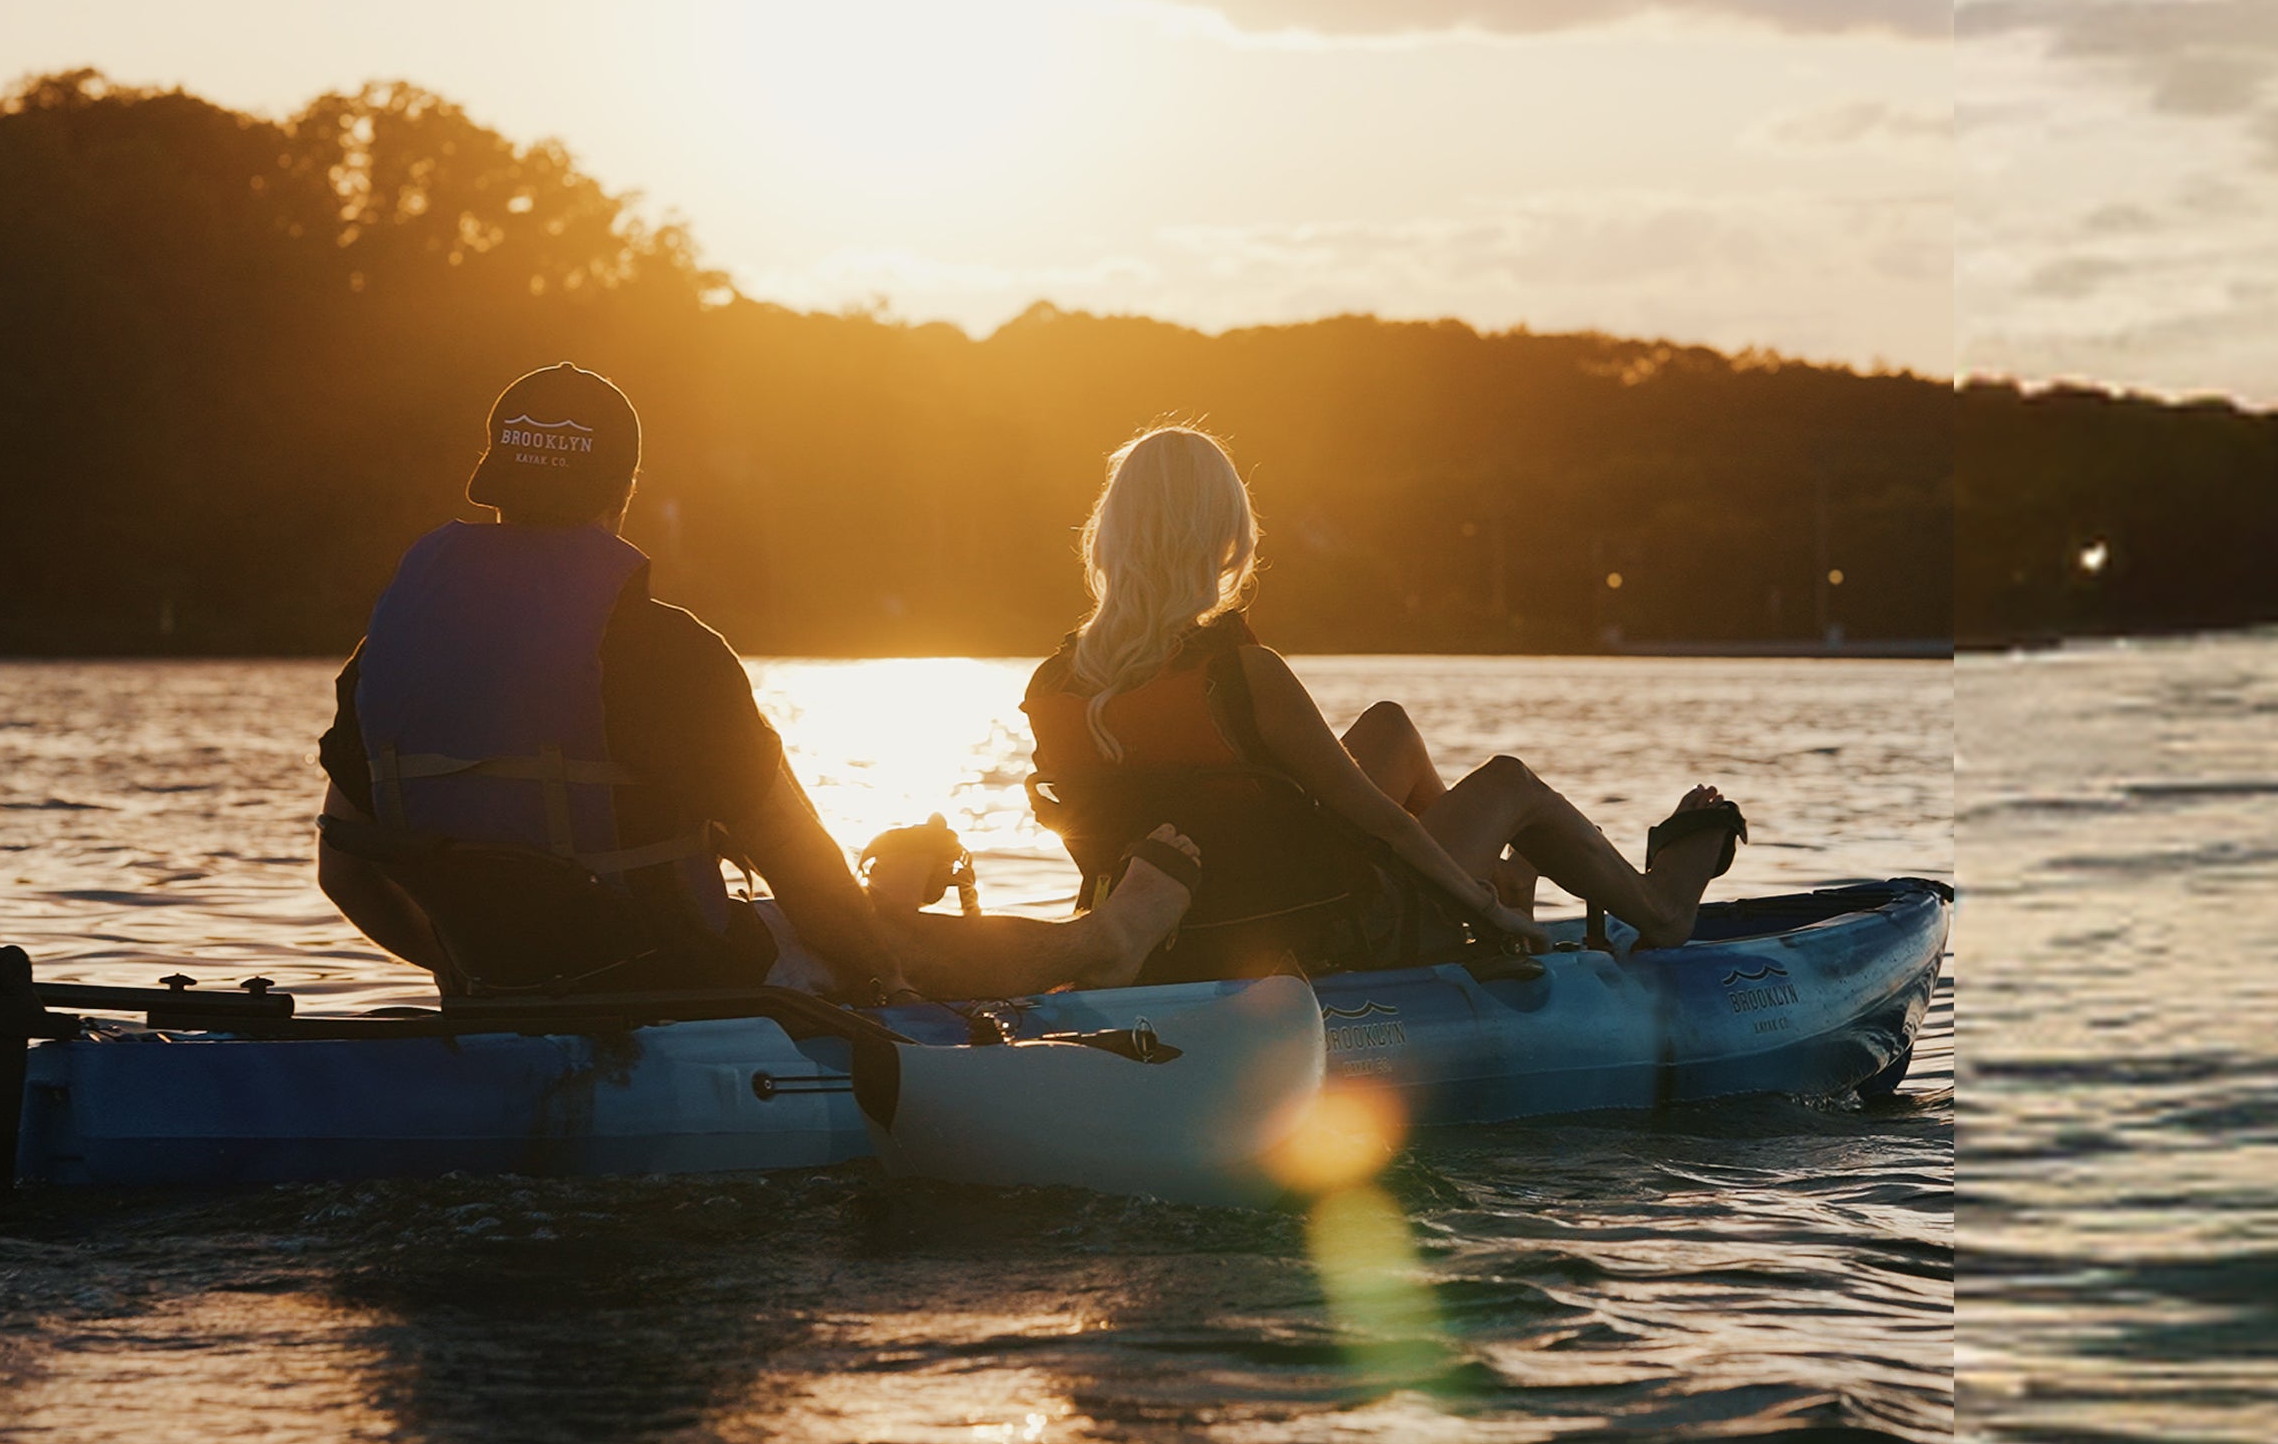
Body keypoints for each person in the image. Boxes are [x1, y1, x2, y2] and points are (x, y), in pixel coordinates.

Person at [314, 363, 1196, 1002]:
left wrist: (478, 974)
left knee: (838, 913)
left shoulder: (383, 654)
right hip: (683, 980)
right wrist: (887, 983)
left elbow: (346, 874)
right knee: (875, 930)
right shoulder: (668, 650)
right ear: (622, 491)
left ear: (495, 487)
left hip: (496, 982)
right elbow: (808, 878)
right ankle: (1108, 941)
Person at [1020, 425, 1747, 982]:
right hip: (1310, 932)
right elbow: (1388, 832)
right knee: (1509, 782)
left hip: (1173, 925)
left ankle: (1492, 882)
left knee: (1389, 727)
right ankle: (1659, 909)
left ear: (1111, 539)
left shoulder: (1053, 687)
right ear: (1220, 537)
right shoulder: (1242, 676)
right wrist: (1488, 910)